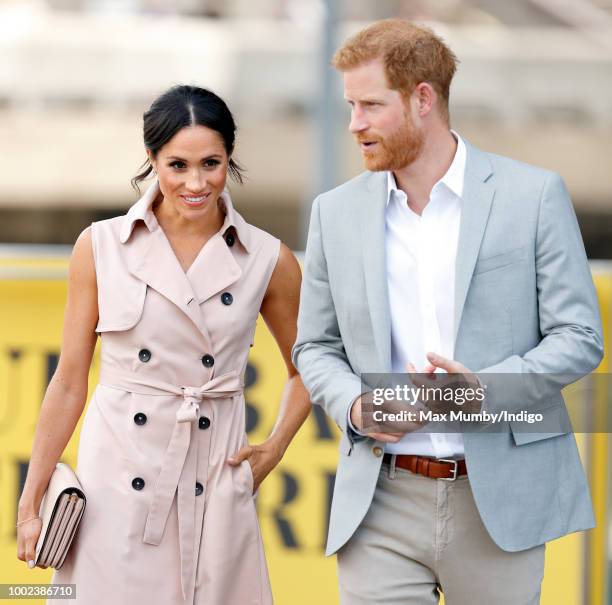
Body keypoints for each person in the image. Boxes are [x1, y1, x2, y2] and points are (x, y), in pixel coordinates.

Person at [292, 19, 604, 605]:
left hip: (497, 503)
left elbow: (581, 335)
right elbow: (315, 346)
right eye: (351, 105)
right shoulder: (334, 213)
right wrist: (355, 405)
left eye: (371, 105)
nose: (354, 123)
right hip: (380, 499)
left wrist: (482, 389)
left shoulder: (532, 196)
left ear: (423, 100)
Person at [17, 84, 311, 605]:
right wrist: (32, 499)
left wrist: (273, 448)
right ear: (151, 159)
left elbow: (308, 366)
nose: (196, 183)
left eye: (211, 163)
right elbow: (68, 381)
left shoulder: (268, 258)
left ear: (230, 159)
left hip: (214, 480)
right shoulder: (101, 246)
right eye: (178, 165)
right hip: (117, 482)